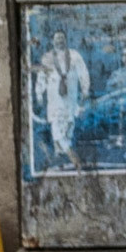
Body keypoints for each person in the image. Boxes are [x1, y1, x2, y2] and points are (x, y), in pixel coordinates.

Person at [33, 29, 91, 171]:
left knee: (68, 128)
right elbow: (41, 77)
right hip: (55, 99)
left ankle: (61, 162)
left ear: (66, 39)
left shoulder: (75, 55)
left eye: (62, 38)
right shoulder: (47, 58)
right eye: (57, 38)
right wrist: (39, 94)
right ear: (53, 41)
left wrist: (85, 89)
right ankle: (74, 159)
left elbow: (83, 72)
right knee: (57, 129)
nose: (59, 41)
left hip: (70, 99)